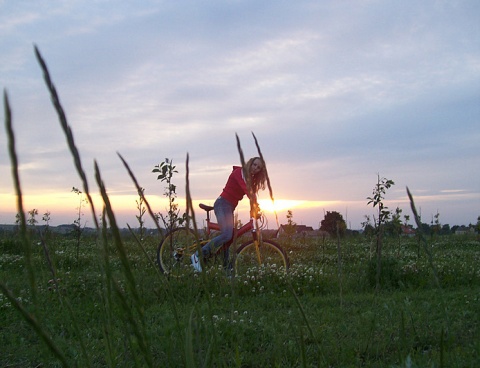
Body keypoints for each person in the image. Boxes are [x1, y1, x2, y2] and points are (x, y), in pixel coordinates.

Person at [191, 157, 267, 272]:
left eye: (258, 168)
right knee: (227, 235)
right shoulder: (239, 172)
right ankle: (198, 255)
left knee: (229, 237)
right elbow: (247, 191)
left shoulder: (250, 179)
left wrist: (254, 212)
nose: (255, 168)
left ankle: (226, 269)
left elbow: (252, 196)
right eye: (254, 165)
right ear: (250, 163)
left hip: (229, 207)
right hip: (222, 204)